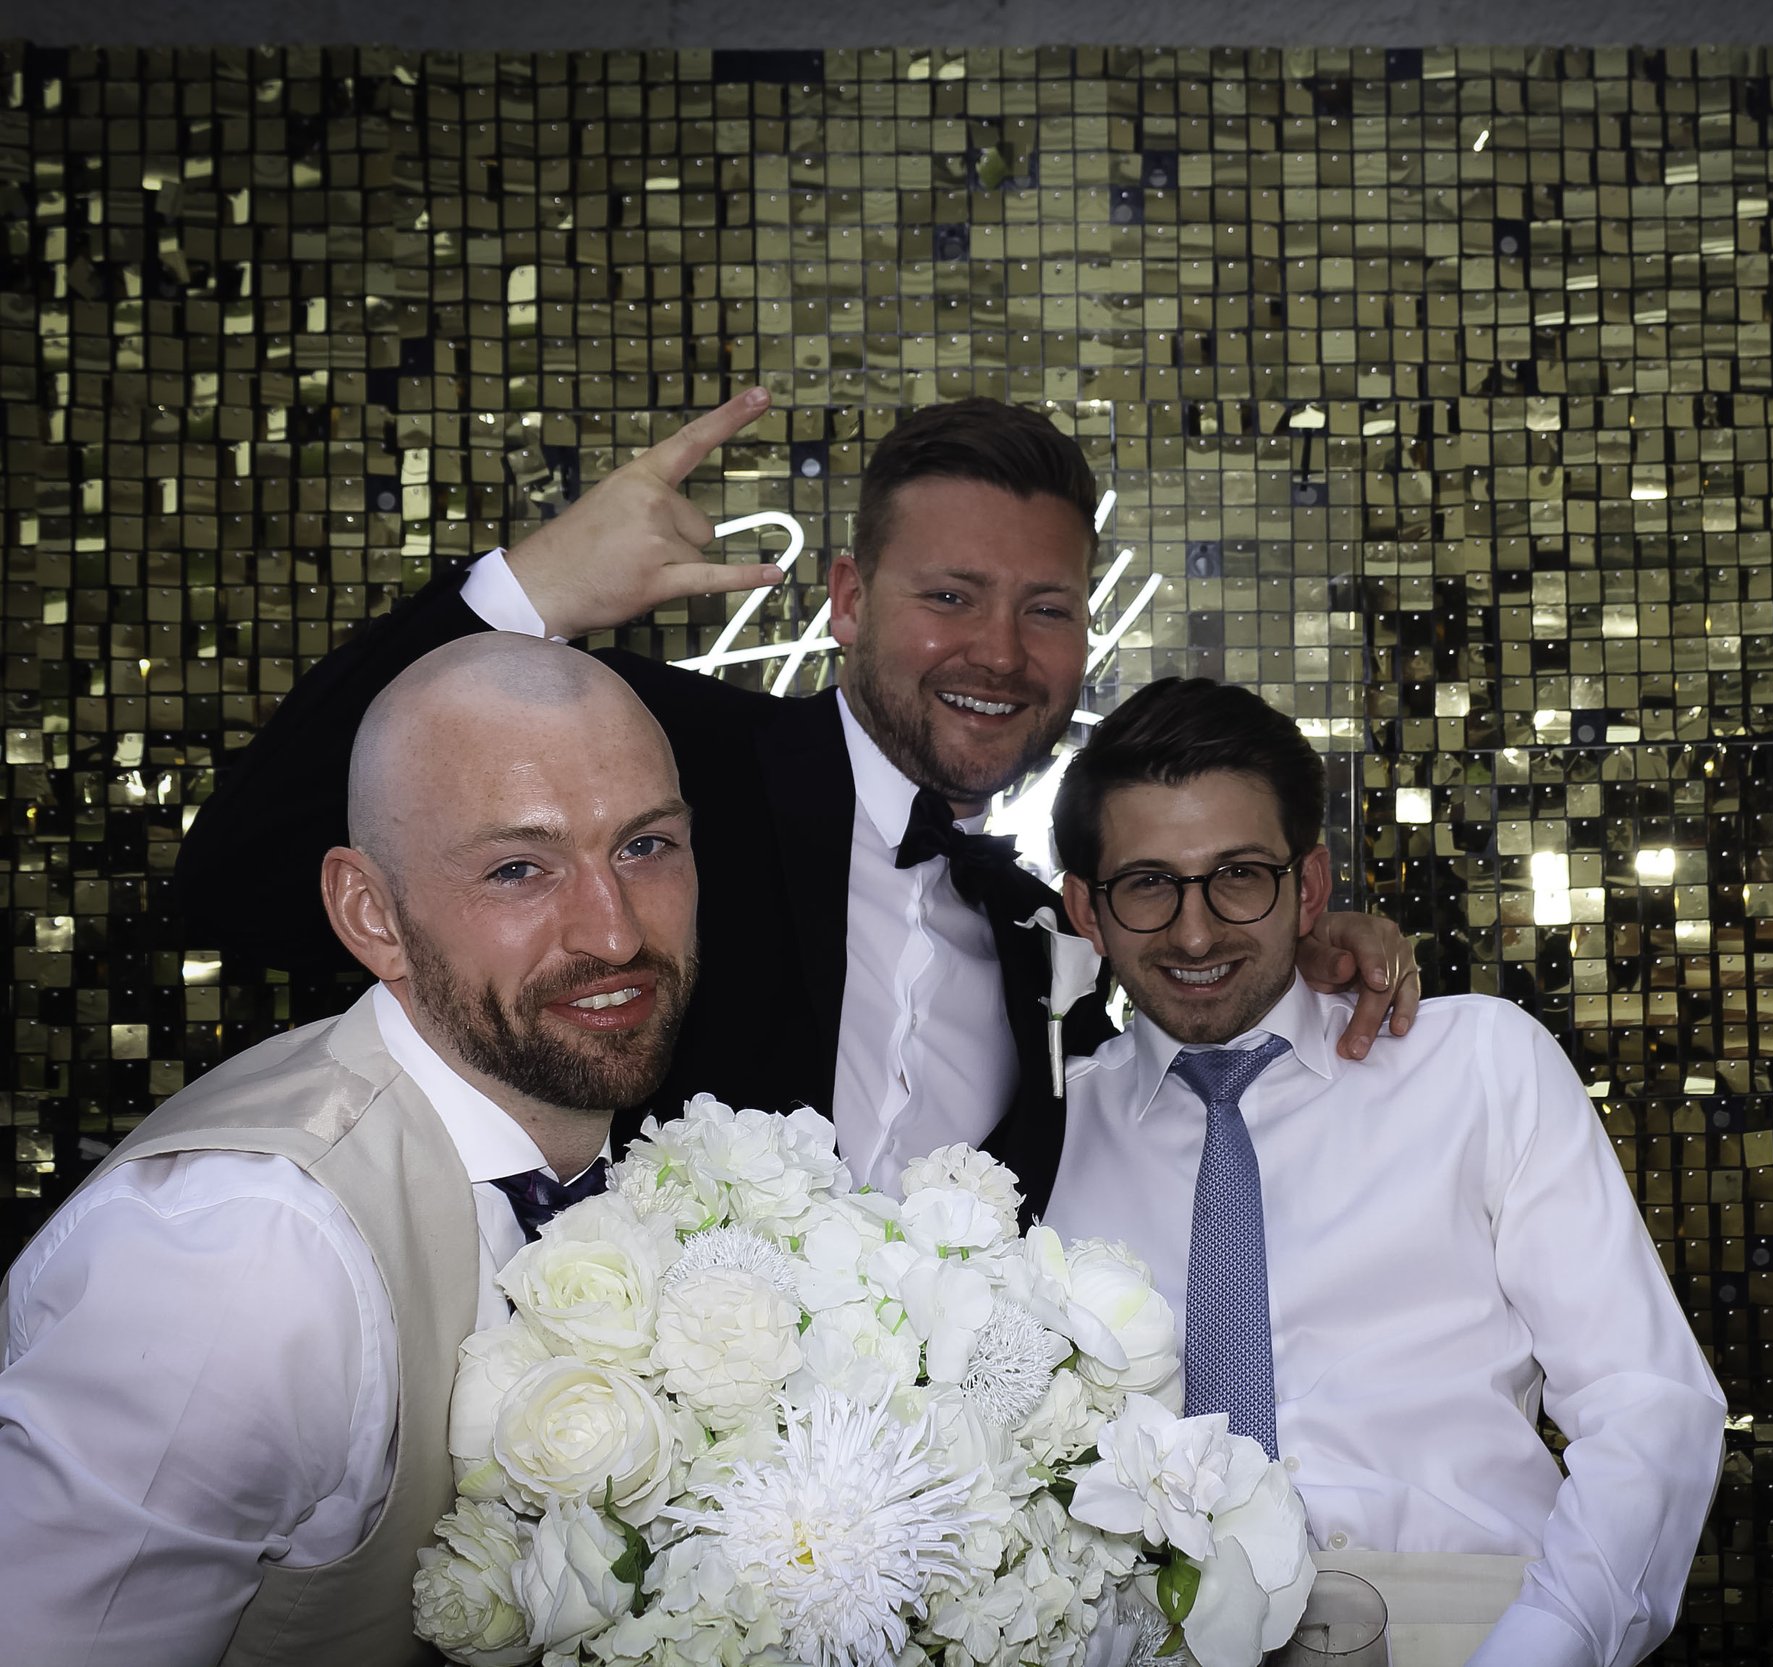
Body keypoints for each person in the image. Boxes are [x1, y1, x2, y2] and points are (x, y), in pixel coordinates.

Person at [175, 391, 1415, 1213]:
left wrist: (1303, 953)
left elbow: (1162, 1065)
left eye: (1045, 609)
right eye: (949, 596)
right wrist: (525, 587)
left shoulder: (1037, 922)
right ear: (849, 600)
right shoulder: (663, 761)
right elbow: (244, 879)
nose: (999, 651)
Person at [0, 634, 696, 1664]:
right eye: (518, 868)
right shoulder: (249, 1258)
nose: (615, 932)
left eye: (646, 845)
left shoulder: (646, 1157)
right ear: (373, 915)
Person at [1043, 678, 1726, 1667]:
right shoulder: (1044, 1133)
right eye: (1149, 883)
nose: (1195, 931)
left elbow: (1648, 1400)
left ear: (1311, 886)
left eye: (1240, 874)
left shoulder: (1478, 1064)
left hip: (1481, 1622)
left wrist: (1540, 1646)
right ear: (1087, 909)